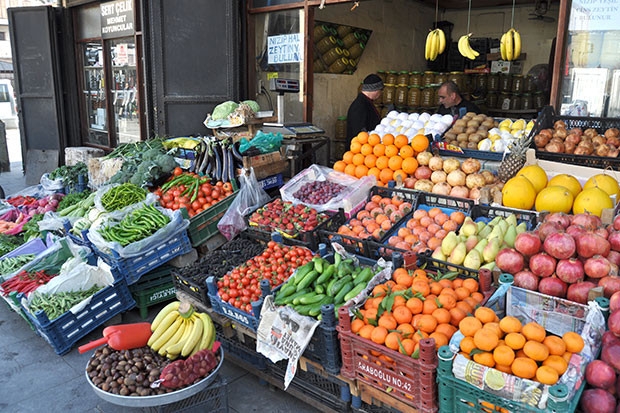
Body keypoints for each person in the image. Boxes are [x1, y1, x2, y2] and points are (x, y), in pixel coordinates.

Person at [346, 74, 384, 145]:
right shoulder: (360, 105)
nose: (380, 94)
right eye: (381, 90)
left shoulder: (365, 102)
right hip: (358, 149)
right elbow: (359, 131)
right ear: (376, 90)